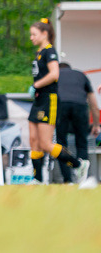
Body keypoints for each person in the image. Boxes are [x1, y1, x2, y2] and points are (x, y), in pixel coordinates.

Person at [27, 18, 87, 184]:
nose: (31, 37)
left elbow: (54, 74)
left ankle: (78, 164)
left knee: (46, 144)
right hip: (38, 100)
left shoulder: (49, 51)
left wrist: (36, 85)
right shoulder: (39, 52)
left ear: (44, 34)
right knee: (33, 140)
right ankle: (37, 179)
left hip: (49, 99)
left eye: (34, 34)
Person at [56, 62, 100, 184]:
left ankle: (67, 180)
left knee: (61, 144)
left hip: (61, 105)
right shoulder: (81, 75)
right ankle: (83, 179)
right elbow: (93, 103)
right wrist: (96, 125)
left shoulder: (55, 74)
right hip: (80, 106)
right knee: (81, 142)